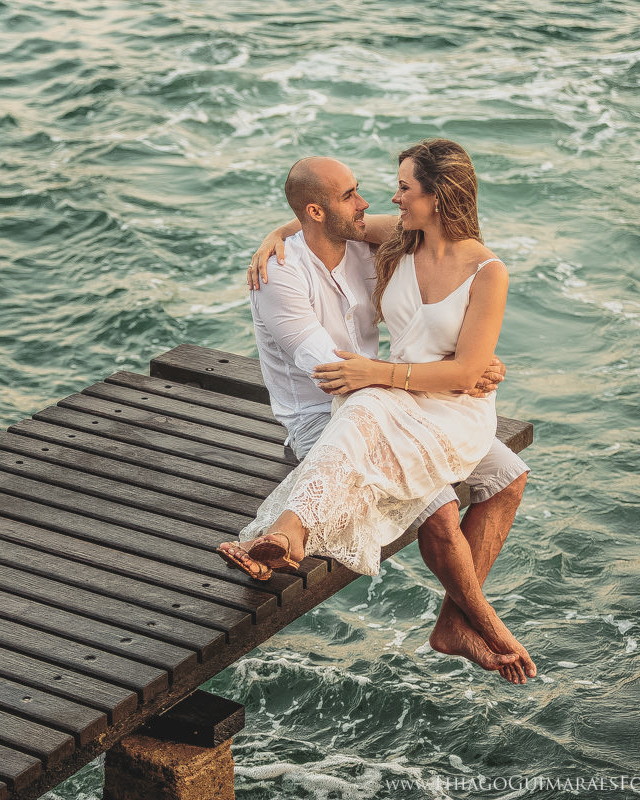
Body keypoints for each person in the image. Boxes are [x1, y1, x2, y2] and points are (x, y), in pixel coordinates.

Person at [218, 141, 535, 682]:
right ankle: (486, 623)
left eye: (402, 188)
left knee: (509, 478)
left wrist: (468, 364)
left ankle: (451, 623)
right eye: (353, 194)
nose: (375, 201)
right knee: (435, 502)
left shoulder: (391, 241)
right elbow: (333, 369)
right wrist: (277, 234)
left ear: (436, 198)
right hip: (334, 406)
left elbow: (329, 218)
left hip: (416, 396)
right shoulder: (297, 267)